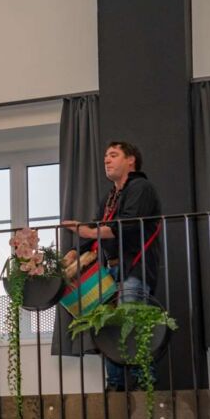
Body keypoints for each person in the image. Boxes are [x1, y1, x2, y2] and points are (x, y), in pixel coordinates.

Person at [62, 141, 162, 390]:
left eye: (114, 155)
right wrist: (76, 251)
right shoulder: (109, 197)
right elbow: (97, 228)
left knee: (130, 319)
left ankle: (144, 382)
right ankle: (115, 384)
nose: (107, 160)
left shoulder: (140, 187)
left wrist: (87, 231)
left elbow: (128, 225)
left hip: (135, 266)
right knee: (107, 324)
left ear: (131, 160)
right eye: (106, 156)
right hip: (112, 269)